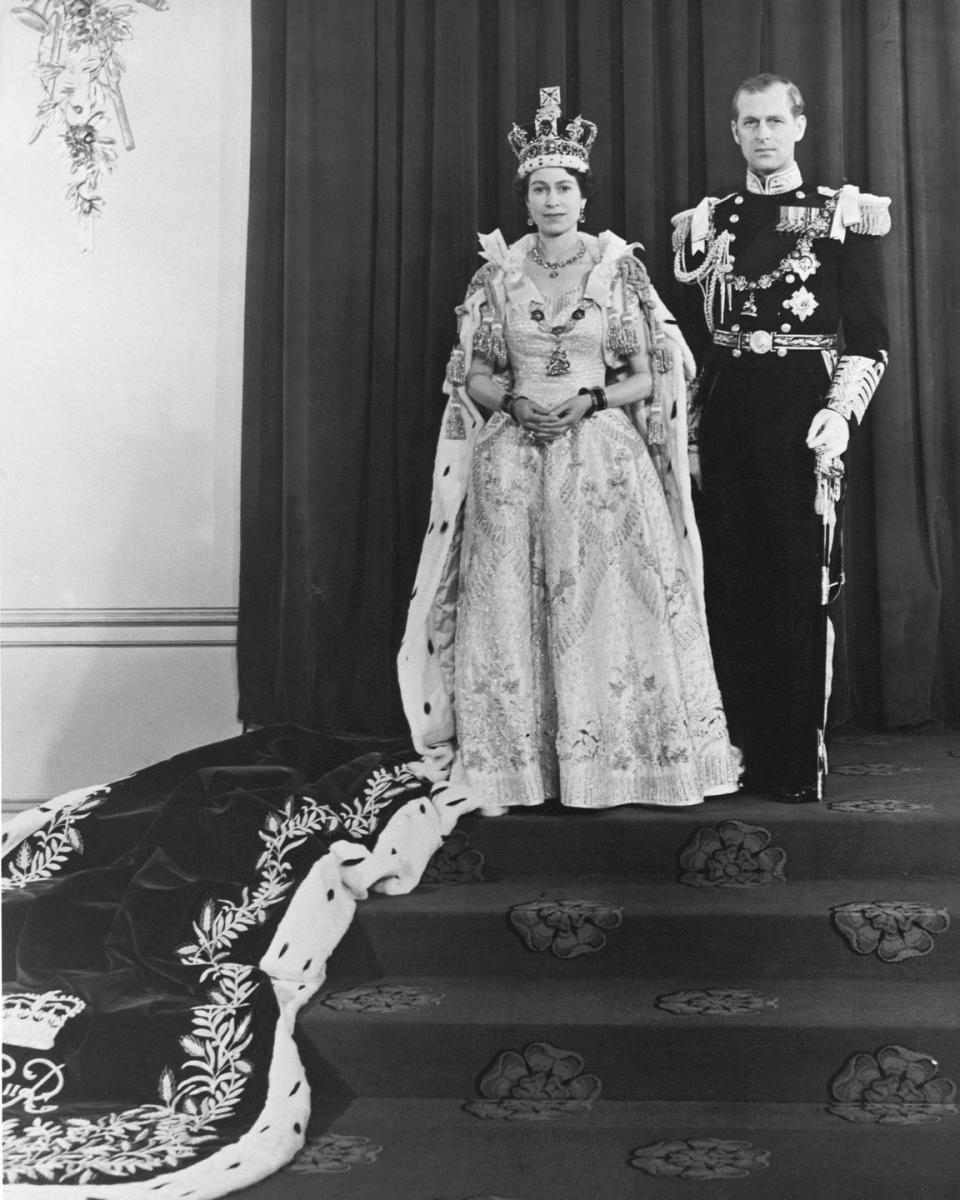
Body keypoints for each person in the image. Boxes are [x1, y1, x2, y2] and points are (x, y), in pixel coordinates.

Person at [399, 87, 740, 813]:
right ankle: (522, 766)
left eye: (564, 188)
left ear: (583, 199)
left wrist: (590, 399)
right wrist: (513, 403)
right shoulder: (494, 276)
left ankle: (623, 760)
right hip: (514, 461)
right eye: (539, 189)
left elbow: (647, 374)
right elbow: (476, 373)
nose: (552, 200)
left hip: (601, 459)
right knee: (513, 605)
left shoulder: (619, 271)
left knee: (610, 603)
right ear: (526, 202)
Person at [672, 73, 890, 803]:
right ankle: (730, 750)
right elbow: (697, 342)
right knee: (728, 582)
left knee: (797, 585)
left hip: (802, 411)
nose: (763, 134)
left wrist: (842, 411)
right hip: (729, 409)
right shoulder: (711, 221)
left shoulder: (841, 215)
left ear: (799, 125)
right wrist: (693, 429)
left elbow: (869, 337)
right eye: (749, 122)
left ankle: (792, 760)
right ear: (734, 132)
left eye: (774, 120)